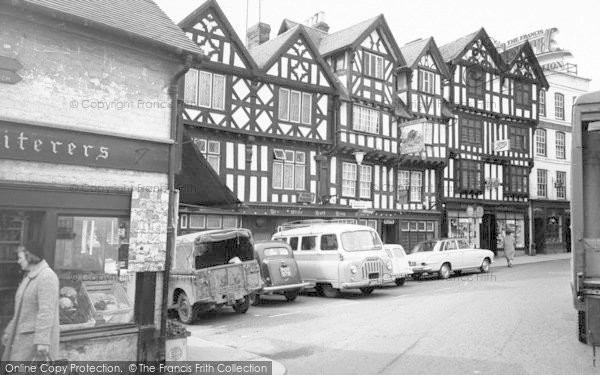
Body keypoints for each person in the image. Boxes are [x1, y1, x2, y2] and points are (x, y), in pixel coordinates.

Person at [1, 241, 59, 361]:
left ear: (30, 257)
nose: (18, 261)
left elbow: (46, 311)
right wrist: (9, 331)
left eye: (20, 258)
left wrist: (42, 342)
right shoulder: (30, 276)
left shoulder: (46, 276)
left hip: (33, 344)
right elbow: (21, 310)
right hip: (23, 338)